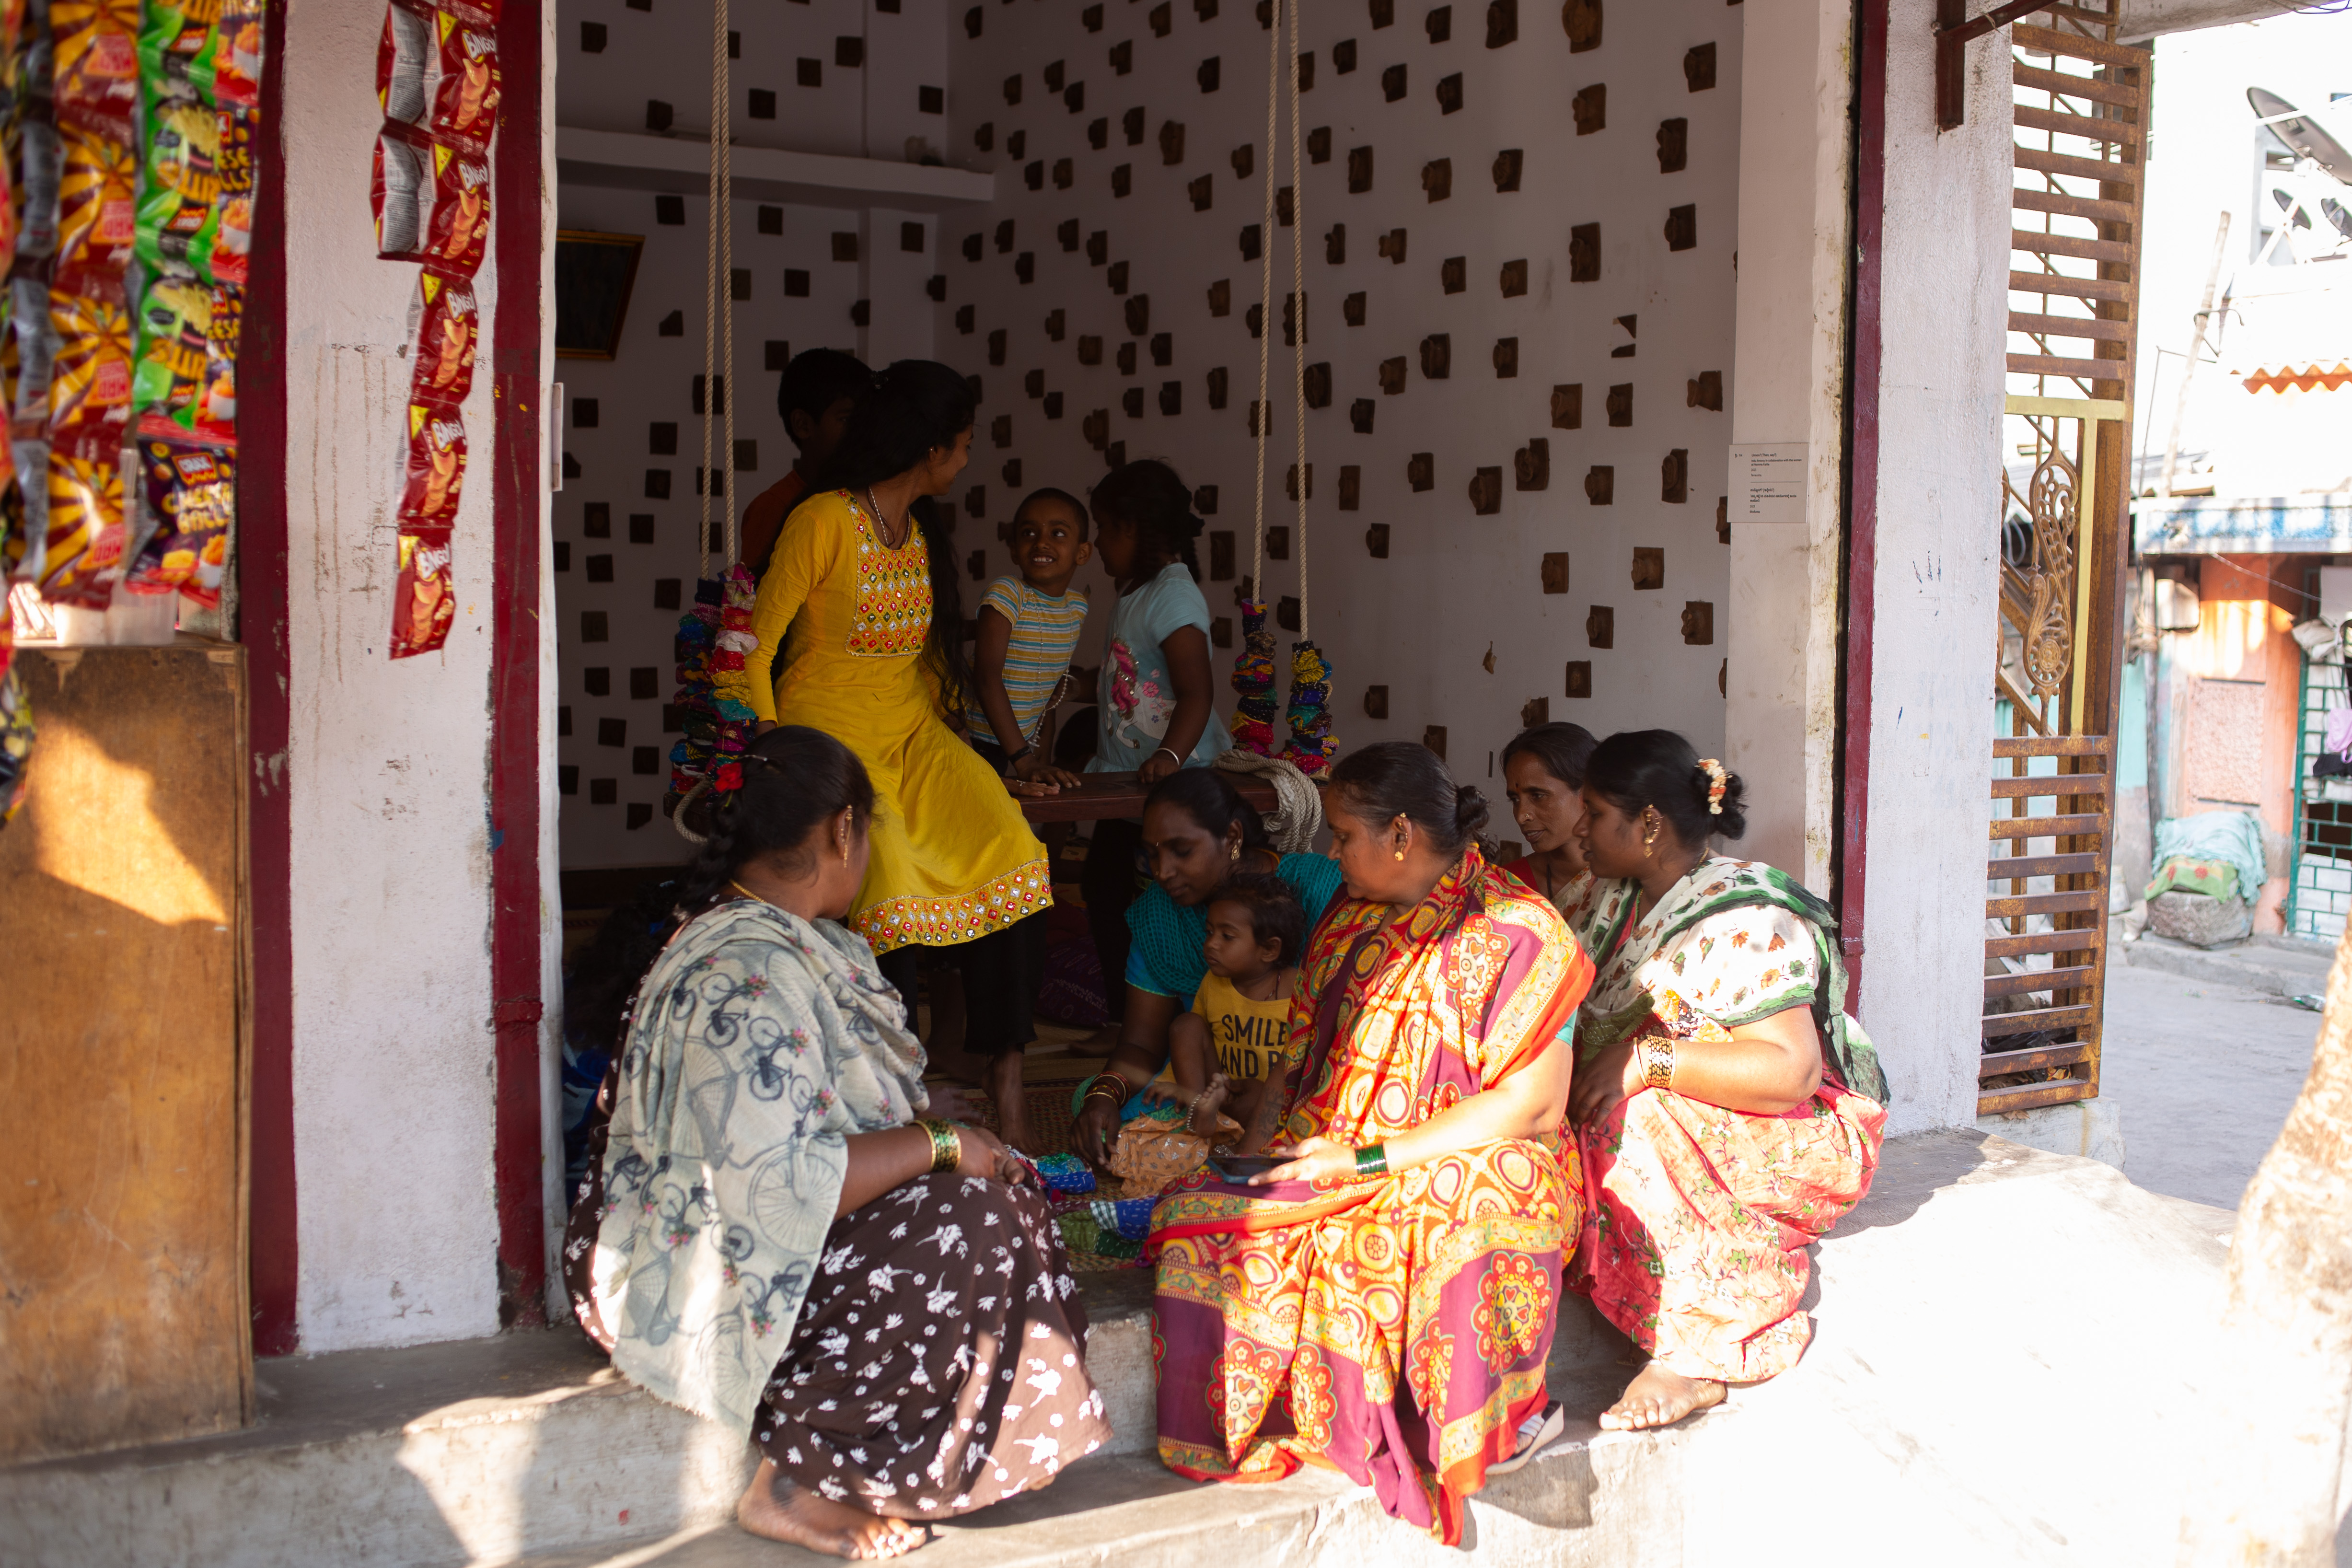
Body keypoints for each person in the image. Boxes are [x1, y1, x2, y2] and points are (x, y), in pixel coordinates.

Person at [564, 726, 1108, 1562]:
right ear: (843, 829)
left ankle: (924, 1451)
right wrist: (937, 1141)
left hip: (744, 1232)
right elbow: (772, 1187)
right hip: (686, 1272)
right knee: (962, 1221)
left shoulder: (779, 941)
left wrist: (942, 1140)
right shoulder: (745, 975)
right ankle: (795, 1480)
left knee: (998, 1194)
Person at [1150, 742, 1593, 1545]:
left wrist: (1365, 1162)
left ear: (1399, 835)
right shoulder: (1348, 921)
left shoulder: (1521, 931)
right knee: (1201, 1216)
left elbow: (1532, 1107)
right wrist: (1262, 1153)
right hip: (1337, 1150)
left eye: (1344, 834)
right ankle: (1329, 1414)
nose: (1331, 853)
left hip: (1471, 1153)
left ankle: (1498, 1417)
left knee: (1463, 1205)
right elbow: (1296, 1064)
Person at [741, 360, 1057, 1149]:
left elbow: (923, 663)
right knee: (883, 873)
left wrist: (1005, 757)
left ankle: (1006, 1074)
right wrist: (772, 746)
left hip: (911, 729)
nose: (967, 459)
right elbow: (753, 644)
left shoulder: (918, 532)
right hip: (829, 730)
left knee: (1011, 844)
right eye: (965, 444)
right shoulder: (821, 520)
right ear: (931, 447)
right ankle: (898, 1095)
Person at [1561, 729, 1889, 1434]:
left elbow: (1790, 1071)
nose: (1577, 827)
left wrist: (1645, 1062)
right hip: (1705, 1109)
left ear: (1648, 823)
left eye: (1592, 812)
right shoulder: (1607, 896)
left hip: (1799, 1130)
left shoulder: (1744, 916)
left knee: (1634, 1118)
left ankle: (1696, 1350)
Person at [1069, 767, 1343, 1168]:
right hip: (1206, 1082)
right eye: (1151, 854)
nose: (1162, 871)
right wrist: (1103, 1095)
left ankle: (1230, 1145)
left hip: (1300, 1079)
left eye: (1181, 851)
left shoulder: (1317, 888)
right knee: (1089, 1099)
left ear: (1232, 837)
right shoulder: (1157, 915)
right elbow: (1141, 1045)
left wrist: (1272, 1092)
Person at [1077, 461, 1226, 1005]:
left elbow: (1196, 692)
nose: (1096, 541)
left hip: (1178, 783)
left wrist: (1169, 756)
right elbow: (1132, 679)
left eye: (1102, 528)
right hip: (1130, 782)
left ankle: (1179, 1013)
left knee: (1163, 899)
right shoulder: (1135, 592)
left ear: (1132, 529)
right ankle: (1127, 1020)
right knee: (1106, 889)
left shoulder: (1173, 595)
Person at [1147, 871, 1304, 1150]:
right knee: (1186, 1025)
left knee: (1259, 1091)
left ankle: (1236, 1139)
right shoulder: (1214, 982)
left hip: (1268, 1104)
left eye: (1227, 936)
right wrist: (1188, 1085)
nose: (1211, 944)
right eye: (1209, 932)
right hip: (1222, 1090)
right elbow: (1196, 1044)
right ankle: (1199, 1110)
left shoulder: (1299, 989)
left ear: (1269, 950)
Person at [965, 488, 1092, 785]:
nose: (1041, 543)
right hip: (971, 741)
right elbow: (986, 678)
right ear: (1014, 549)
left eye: (1057, 533)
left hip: (1020, 747)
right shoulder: (1008, 593)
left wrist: (1040, 759)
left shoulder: (1077, 607)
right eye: (1028, 533)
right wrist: (1024, 760)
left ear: (1082, 553)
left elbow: (1049, 689)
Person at [740, 348, 870, 584]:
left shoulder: (871, 497)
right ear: (803, 425)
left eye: (867, 419)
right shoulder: (773, 508)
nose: (862, 431)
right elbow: (753, 602)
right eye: (847, 419)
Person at [1500, 721, 1599, 916]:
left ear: (1587, 793)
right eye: (1515, 800)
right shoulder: (1508, 886)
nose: (1521, 816)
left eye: (1538, 796)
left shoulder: (1628, 882)